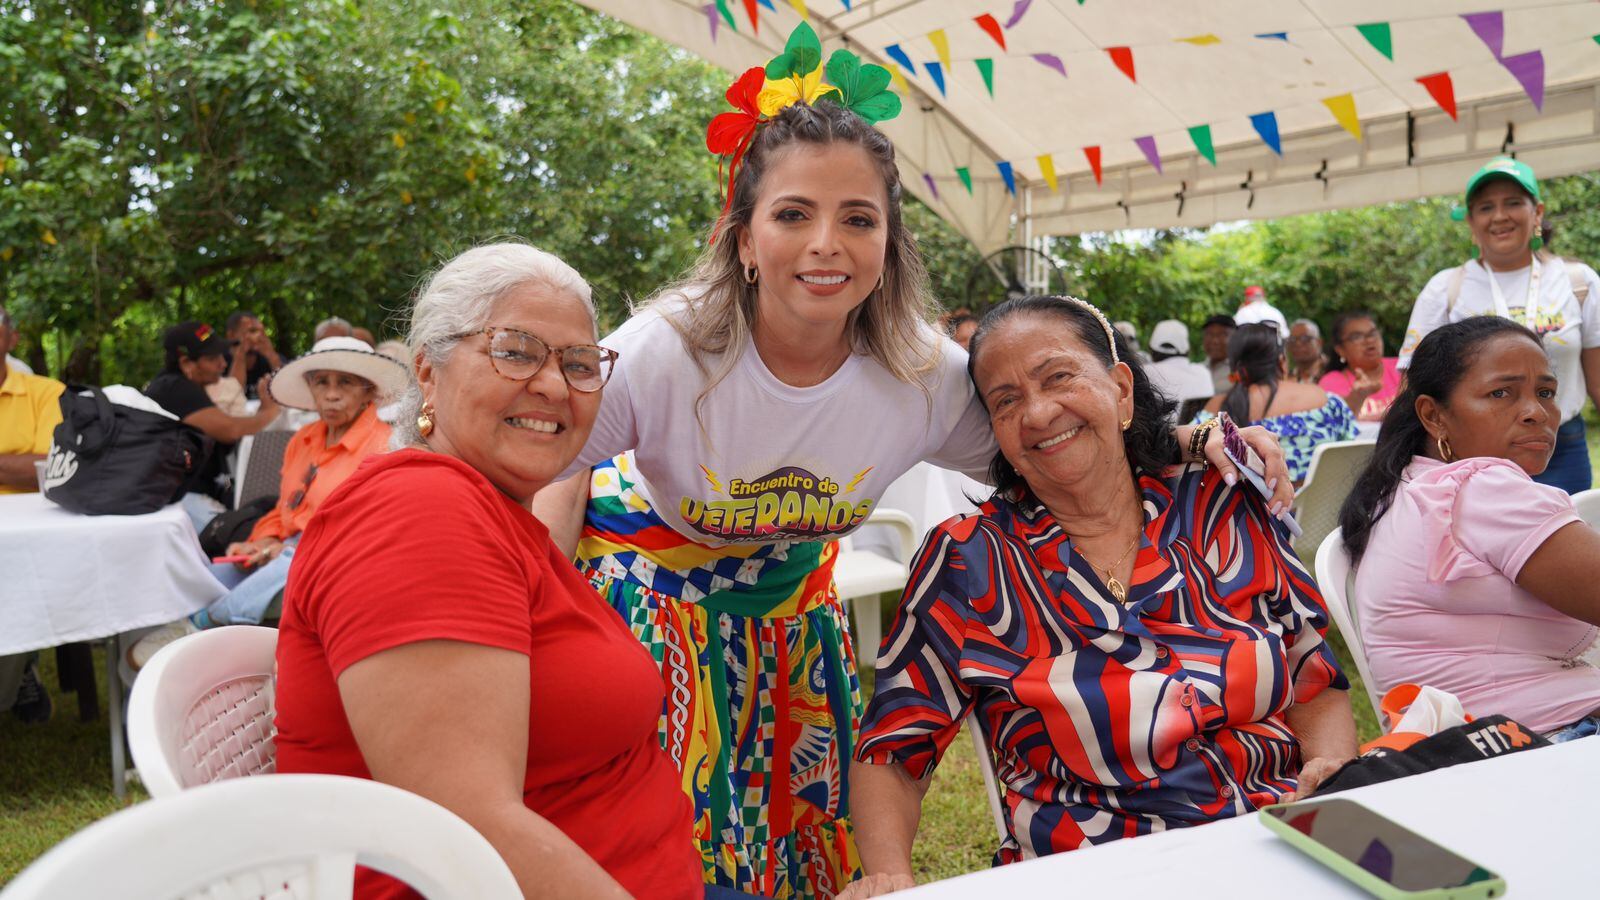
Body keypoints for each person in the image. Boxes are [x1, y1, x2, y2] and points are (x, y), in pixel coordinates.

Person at [531, 28, 1293, 898]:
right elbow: (540, 460)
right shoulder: (669, 352)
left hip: (794, 618)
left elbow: (1045, 445)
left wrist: (1185, 443)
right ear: (743, 238)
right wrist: (541, 626)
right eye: (792, 215)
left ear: (889, 242)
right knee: (665, 864)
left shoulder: (920, 374)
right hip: (652, 610)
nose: (828, 243)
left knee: (798, 866)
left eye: (858, 219)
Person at [842, 297, 1355, 896]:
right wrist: (887, 876)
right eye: (1005, 401)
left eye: (1058, 377)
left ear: (1121, 390)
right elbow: (894, 750)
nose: (1036, 412)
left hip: (1275, 843)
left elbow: (1311, 674)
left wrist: (1330, 774)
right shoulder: (970, 562)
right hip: (1092, 871)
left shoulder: (1220, 504)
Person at [274, 243, 710, 900]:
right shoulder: (419, 512)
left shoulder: (496, 516)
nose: (555, 385)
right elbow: (466, 828)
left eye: (579, 363)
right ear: (428, 371)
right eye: (516, 350)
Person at [1340, 317, 1600, 740]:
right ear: (1434, 415)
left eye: (1546, 393)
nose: (1537, 413)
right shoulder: (1480, 488)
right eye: (1501, 393)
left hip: (1471, 746)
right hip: (1543, 744)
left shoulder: (1408, 484)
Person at [128, 336, 406, 668]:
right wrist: (262, 540)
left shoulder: (386, 447)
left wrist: (291, 549)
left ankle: (204, 626)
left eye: (345, 382)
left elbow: (368, 532)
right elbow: (285, 510)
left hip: (342, 565)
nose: (331, 393)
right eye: (321, 382)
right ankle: (192, 649)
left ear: (368, 391)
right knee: (211, 579)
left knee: (295, 563)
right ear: (310, 388)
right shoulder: (302, 441)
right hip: (286, 555)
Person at [1400, 156, 1600, 494]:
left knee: (1564, 540)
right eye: (1485, 207)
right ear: (1472, 223)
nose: (1499, 216)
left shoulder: (1578, 282)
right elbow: (1412, 388)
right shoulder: (1445, 289)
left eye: (1512, 203)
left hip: (1560, 448)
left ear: (1536, 213)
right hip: (1472, 454)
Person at [144, 322, 281, 530]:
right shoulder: (174, 388)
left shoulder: (184, 385)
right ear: (186, 363)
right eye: (212, 358)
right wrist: (270, 412)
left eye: (221, 355)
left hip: (191, 493)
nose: (222, 364)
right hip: (180, 500)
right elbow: (230, 430)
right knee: (246, 534)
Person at [0, 303, 64, 723]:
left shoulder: (45, 391)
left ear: (10, 339)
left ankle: (17, 673)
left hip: (32, 529)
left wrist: (27, 469)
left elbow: (49, 470)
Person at [1199, 324, 1356, 483]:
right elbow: (1353, 452)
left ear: (1234, 368)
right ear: (1281, 361)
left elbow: (1187, 451)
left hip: (1246, 507)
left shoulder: (1214, 410)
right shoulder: (1326, 401)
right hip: (1323, 505)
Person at [1319, 311, 1400, 422]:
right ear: (1340, 350)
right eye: (1357, 337)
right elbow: (1334, 425)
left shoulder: (1402, 368)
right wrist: (1357, 397)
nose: (1369, 340)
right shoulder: (1331, 382)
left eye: (1373, 333)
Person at [1143, 319, 1213, 410]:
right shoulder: (1203, 373)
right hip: (1201, 424)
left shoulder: (1145, 373)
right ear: (1188, 350)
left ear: (1151, 349)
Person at [226, 310, 282, 400]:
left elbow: (288, 388)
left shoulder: (268, 359)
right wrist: (241, 355)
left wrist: (271, 354)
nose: (259, 336)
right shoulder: (219, 362)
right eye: (252, 331)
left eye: (262, 331)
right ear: (231, 335)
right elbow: (231, 397)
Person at [1200, 313, 1235, 393]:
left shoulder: (1240, 372)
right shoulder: (1197, 369)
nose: (1215, 341)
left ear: (1235, 338)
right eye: (1209, 334)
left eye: (1222, 335)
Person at [1286, 318, 1325, 383]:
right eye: (1292, 339)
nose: (1298, 344)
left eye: (1305, 338)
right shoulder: (1286, 379)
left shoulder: (1333, 373)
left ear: (1319, 343)